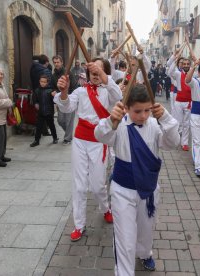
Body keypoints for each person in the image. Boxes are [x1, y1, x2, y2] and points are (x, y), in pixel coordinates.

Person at [94, 84, 180, 275]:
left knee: (146, 229)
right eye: (137, 111)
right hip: (122, 190)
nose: (143, 115)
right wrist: (110, 120)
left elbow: (173, 143)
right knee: (124, 239)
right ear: (126, 108)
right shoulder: (119, 124)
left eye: (147, 110)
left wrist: (165, 118)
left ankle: (145, 253)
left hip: (148, 189)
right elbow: (100, 135)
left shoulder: (155, 126)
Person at [54, 57, 122, 242]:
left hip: (99, 142)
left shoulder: (109, 90)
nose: (96, 72)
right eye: (93, 69)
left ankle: (105, 208)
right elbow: (66, 106)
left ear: (105, 73)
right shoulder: (81, 92)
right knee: (79, 185)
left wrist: (103, 74)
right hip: (80, 141)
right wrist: (64, 92)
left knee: (98, 185)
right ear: (88, 73)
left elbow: (119, 97)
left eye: (100, 69)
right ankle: (79, 225)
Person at [51, 55, 78, 145]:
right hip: (60, 101)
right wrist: (53, 92)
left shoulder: (68, 73)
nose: (56, 64)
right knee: (60, 120)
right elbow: (52, 87)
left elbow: (74, 85)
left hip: (70, 99)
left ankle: (67, 139)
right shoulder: (53, 75)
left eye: (58, 62)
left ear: (61, 62)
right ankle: (69, 134)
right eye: (54, 62)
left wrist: (72, 97)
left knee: (69, 121)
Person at [168, 55, 193, 151]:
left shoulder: (193, 74)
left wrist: (195, 63)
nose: (186, 65)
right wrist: (175, 61)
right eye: (184, 64)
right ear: (181, 65)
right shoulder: (178, 74)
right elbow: (170, 72)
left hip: (188, 102)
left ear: (190, 65)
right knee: (178, 122)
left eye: (188, 64)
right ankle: (176, 140)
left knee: (187, 124)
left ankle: (185, 143)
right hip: (178, 101)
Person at [30, 75, 59, 147]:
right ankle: (36, 140)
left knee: (51, 125)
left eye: (44, 82)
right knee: (39, 127)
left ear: (47, 82)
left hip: (49, 112)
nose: (42, 83)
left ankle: (55, 138)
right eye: (41, 81)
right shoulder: (37, 90)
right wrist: (36, 104)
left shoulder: (50, 90)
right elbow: (35, 100)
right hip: (40, 112)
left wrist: (54, 95)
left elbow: (55, 101)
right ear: (39, 82)